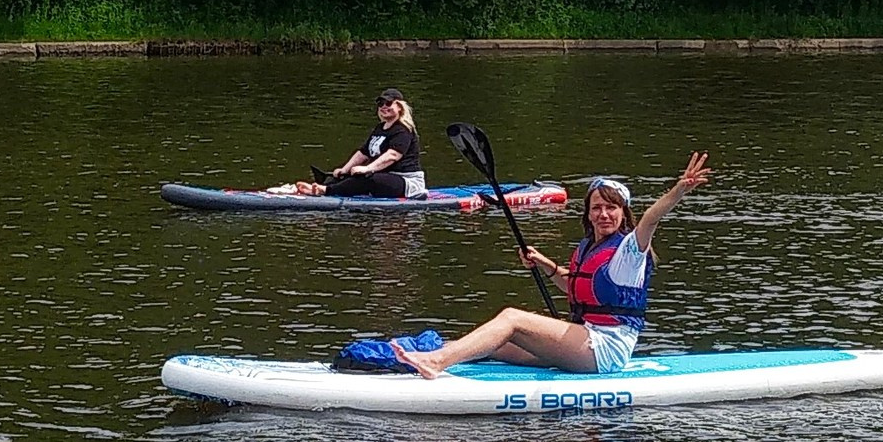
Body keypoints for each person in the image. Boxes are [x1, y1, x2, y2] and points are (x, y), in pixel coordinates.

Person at [397, 152, 711, 379]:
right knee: (495, 345)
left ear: (623, 213)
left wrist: (679, 189)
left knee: (511, 319)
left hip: (605, 349)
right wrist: (546, 266)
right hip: (583, 338)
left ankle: (436, 362)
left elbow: (651, 218)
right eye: (597, 208)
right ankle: (421, 357)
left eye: (611, 208)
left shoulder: (630, 249)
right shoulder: (590, 246)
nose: (603, 214)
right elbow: (576, 285)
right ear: (588, 214)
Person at [295, 89, 425, 198]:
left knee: (367, 178)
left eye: (388, 103)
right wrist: (344, 170)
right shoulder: (379, 128)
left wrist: (368, 168)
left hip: (407, 181)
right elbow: (363, 153)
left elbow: (392, 155)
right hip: (385, 176)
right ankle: (321, 187)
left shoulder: (403, 130)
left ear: (399, 107)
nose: (384, 106)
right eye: (380, 103)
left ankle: (325, 191)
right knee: (347, 176)